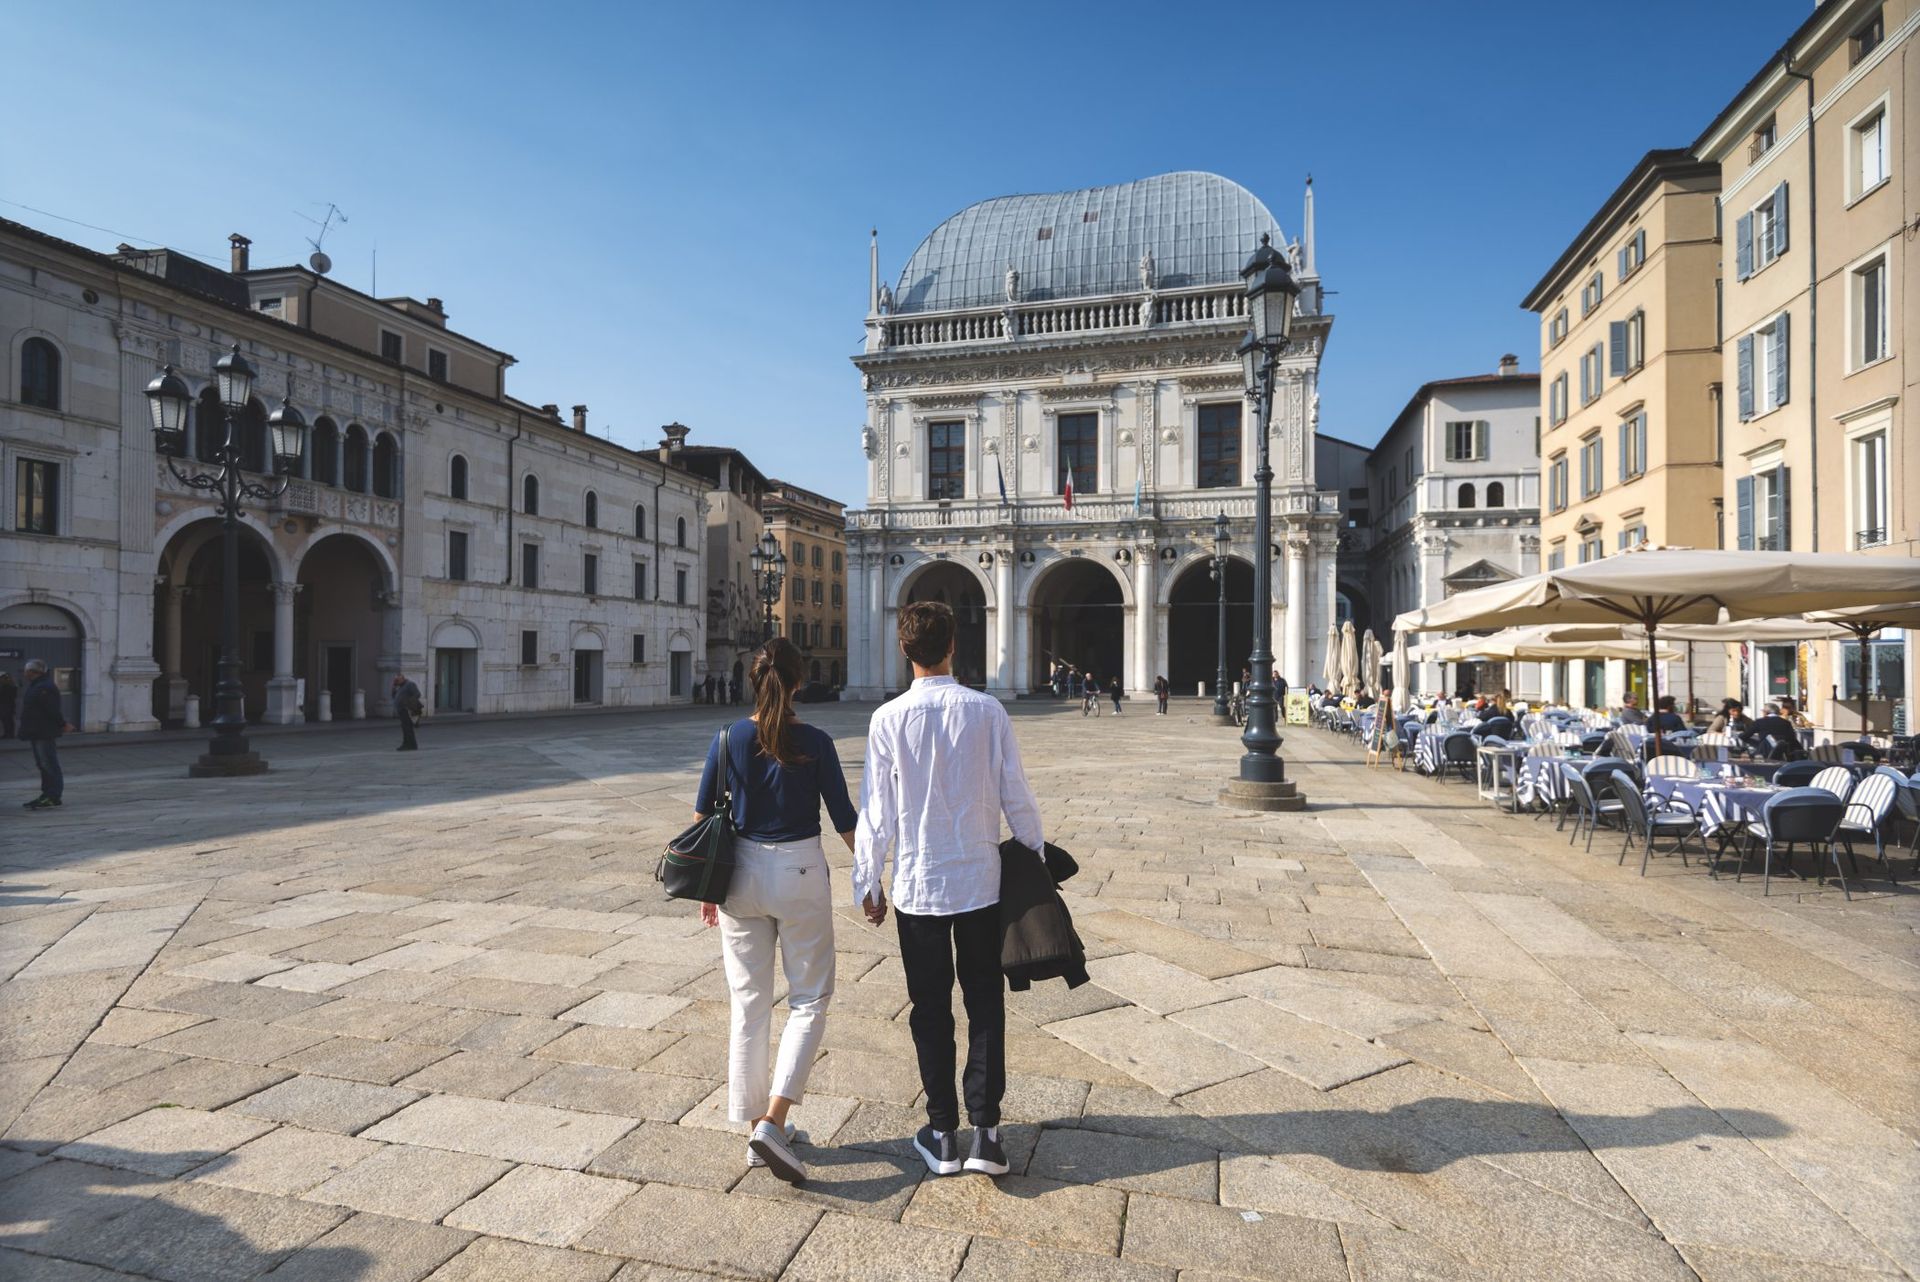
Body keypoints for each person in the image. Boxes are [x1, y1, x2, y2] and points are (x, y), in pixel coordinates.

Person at [855, 600, 1042, 1179]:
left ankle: (942, 1135)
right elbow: (1016, 792)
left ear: (904, 650)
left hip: (918, 886)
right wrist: (1035, 854)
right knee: (985, 1001)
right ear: (953, 645)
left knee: (929, 1008)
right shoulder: (988, 712)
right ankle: (986, 1134)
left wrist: (869, 880)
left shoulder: (887, 719)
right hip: (981, 882)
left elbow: (876, 810)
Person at [692, 636, 856, 1185]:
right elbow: (844, 821)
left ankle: (759, 1127)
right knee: (809, 997)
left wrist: (709, 891)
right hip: (800, 871)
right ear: (800, 682)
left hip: (739, 874)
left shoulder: (727, 737)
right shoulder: (816, 740)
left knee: (748, 1003)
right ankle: (773, 1121)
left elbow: (702, 820)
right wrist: (875, 879)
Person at [18, 659, 65, 810]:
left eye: (26, 671)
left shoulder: (45, 687)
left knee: (48, 764)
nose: (24, 673)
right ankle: (47, 794)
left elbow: (52, 710)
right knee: (43, 764)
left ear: (34, 672)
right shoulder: (37, 686)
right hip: (37, 731)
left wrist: (63, 724)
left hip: (44, 732)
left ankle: (53, 796)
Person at [391, 673, 424, 751]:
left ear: (402, 678)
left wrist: (408, 702)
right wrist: (393, 687)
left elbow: (417, 694)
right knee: (405, 728)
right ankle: (406, 743)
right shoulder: (400, 687)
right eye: (395, 680)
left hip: (407, 710)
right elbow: (393, 696)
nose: (396, 681)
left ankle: (411, 745)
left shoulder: (410, 684)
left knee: (408, 728)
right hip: (401, 710)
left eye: (397, 680)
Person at [0, 670, 16, 740]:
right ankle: (7, 733)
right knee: (5, 720)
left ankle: (10, 734)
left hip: (7, 705)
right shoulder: (5, 685)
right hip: (5, 705)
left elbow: (10, 696)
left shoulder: (9, 686)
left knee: (8, 720)